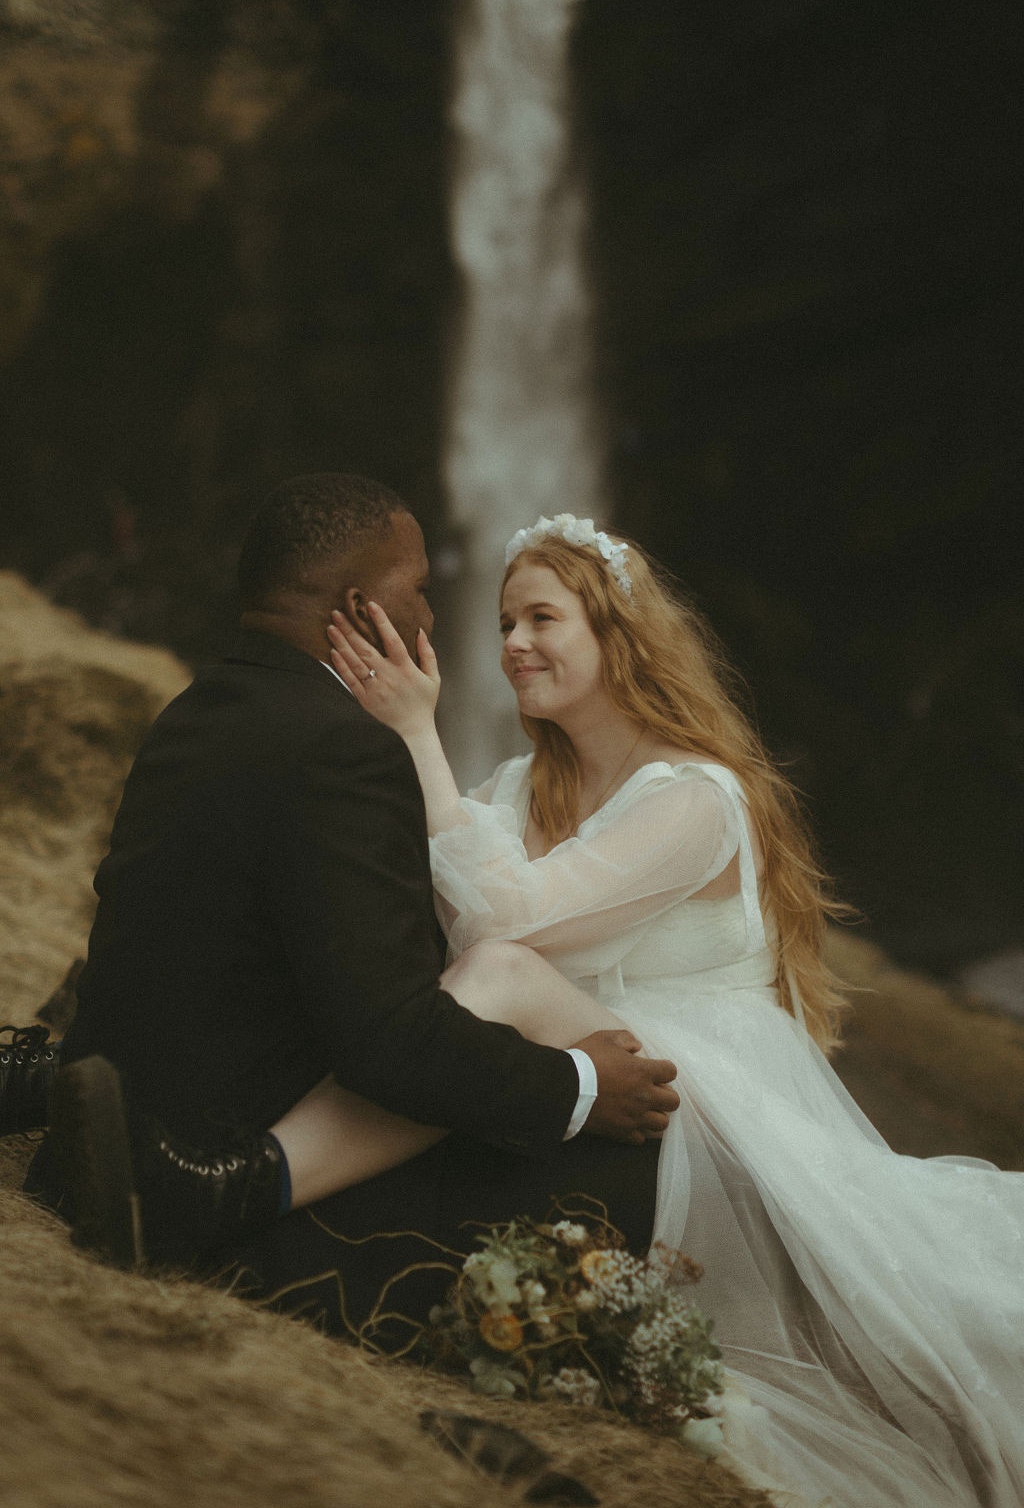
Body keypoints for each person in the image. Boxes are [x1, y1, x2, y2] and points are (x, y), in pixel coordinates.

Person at [243, 512, 1024, 1508]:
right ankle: (258, 1181)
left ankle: (252, 1179)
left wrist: (412, 733)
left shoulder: (698, 799)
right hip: (581, 1070)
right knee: (466, 984)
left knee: (500, 972)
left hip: (697, 1098)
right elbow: (420, 902)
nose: (513, 644)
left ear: (616, 632)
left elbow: (501, 916)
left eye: (541, 618)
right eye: (503, 622)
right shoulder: (521, 786)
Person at [23, 476, 678, 1328]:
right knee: (638, 1184)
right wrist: (584, 1084)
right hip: (234, 1171)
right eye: (421, 591)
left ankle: (35, 1077)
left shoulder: (196, 711)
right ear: (364, 606)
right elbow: (391, 1042)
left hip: (155, 1107)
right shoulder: (344, 752)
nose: (436, 620)